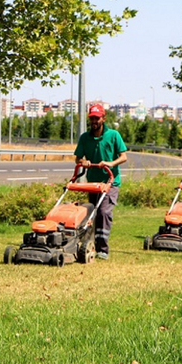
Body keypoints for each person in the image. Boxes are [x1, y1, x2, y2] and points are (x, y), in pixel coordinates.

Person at [73, 104, 128, 260]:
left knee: (104, 212)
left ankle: (103, 249)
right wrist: (83, 162)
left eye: (97, 118)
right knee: (92, 213)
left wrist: (111, 163)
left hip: (110, 182)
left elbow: (124, 156)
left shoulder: (113, 135)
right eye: (92, 118)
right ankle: (90, 243)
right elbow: (78, 158)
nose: (94, 121)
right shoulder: (85, 137)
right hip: (93, 183)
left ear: (103, 118)